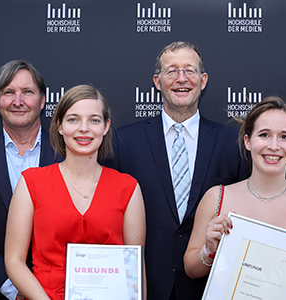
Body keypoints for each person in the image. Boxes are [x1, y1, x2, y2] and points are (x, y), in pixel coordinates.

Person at [105, 41, 249, 300]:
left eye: (190, 71)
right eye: (171, 71)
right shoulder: (123, 142)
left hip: (211, 287)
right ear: (157, 81)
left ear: (203, 80)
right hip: (146, 286)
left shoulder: (233, 143)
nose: (181, 79)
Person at [184, 96, 286, 299]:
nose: (274, 146)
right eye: (264, 135)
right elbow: (191, 270)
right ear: (248, 141)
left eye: (284, 137)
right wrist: (209, 250)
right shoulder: (216, 198)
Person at [4, 84, 146, 300]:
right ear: (59, 126)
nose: (84, 128)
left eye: (94, 120)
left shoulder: (128, 188)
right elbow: (14, 261)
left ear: (106, 126)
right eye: (73, 119)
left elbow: (134, 271)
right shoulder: (31, 182)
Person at [0, 60, 62, 300]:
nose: (18, 101)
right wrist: (11, 287)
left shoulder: (68, 156)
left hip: (58, 291)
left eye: (27, 92)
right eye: (8, 92)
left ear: (43, 100)